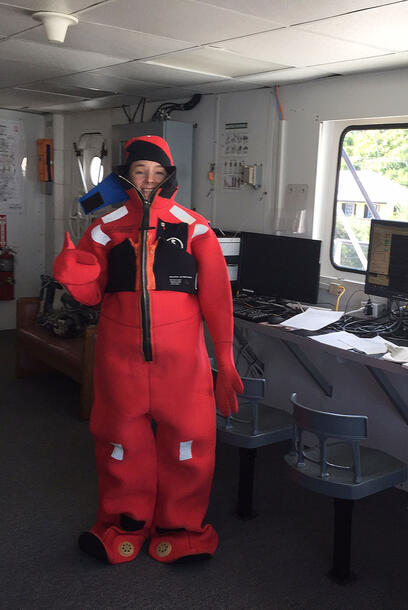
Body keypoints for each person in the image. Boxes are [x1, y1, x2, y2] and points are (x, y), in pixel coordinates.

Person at [54, 135, 243, 564]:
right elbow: (89, 293)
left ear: (169, 177)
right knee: (119, 445)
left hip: (183, 366)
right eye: (141, 171)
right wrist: (74, 276)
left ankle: (182, 528)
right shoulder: (104, 228)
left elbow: (217, 299)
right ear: (126, 175)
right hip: (120, 363)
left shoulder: (195, 227)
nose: (148, 180)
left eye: (158, 173)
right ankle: (124, 523)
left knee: (189, 445)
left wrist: (225, 359)